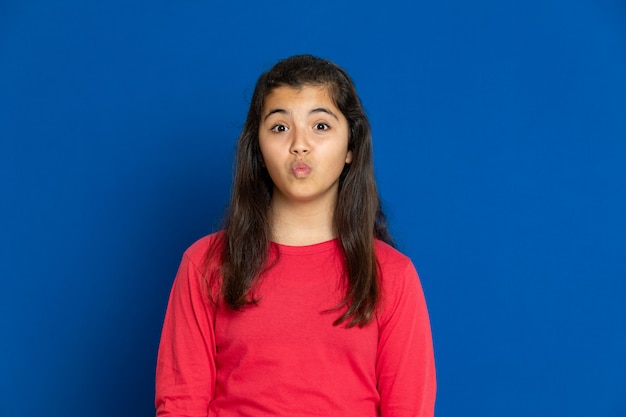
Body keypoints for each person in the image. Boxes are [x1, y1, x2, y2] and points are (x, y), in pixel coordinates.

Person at [155, 54, 436, 417]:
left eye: (320, 126)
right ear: (257, 148)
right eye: (280, 127)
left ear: (351, 147)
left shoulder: (392, 275)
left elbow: (408, 409)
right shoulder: (205, 263)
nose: (299, 145)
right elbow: (181, 405)